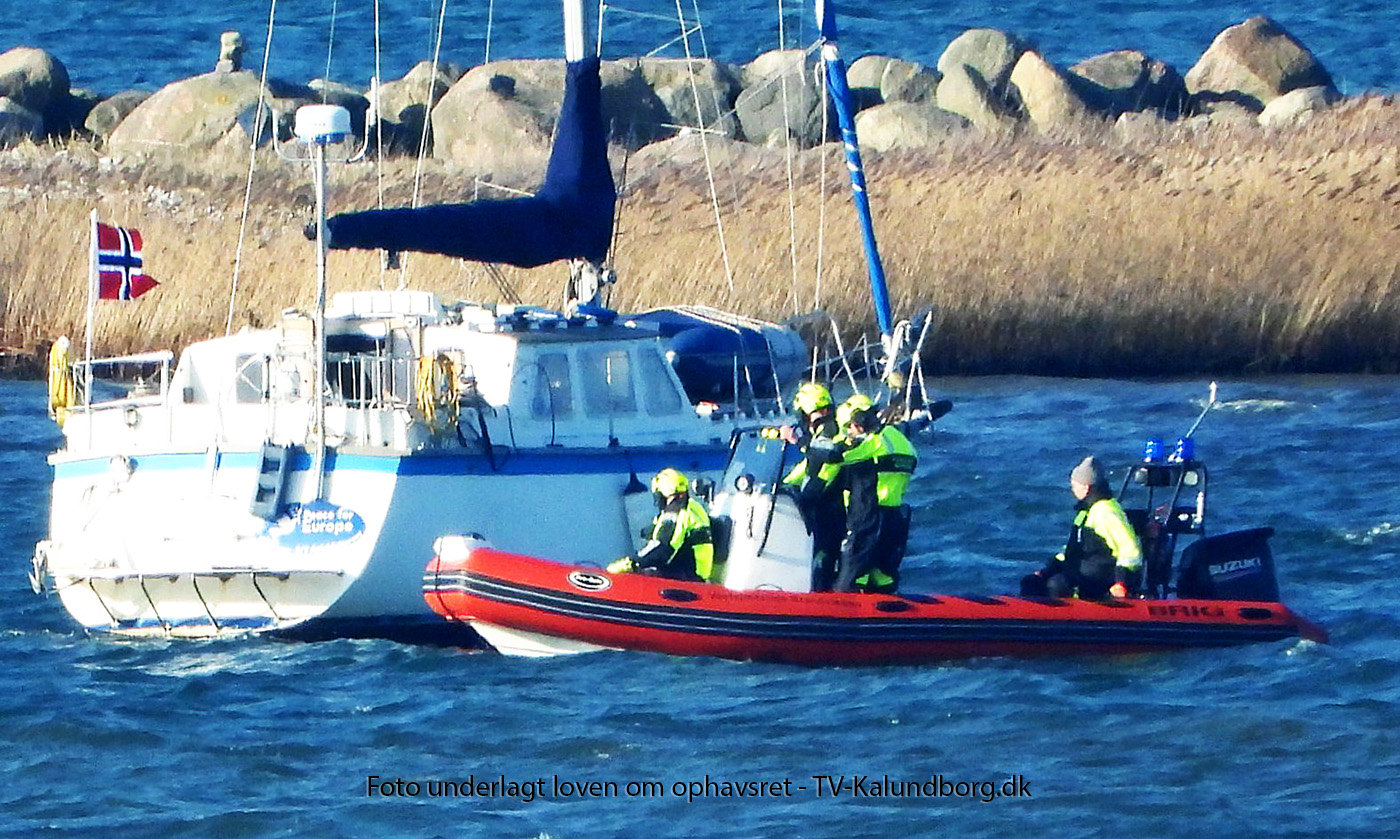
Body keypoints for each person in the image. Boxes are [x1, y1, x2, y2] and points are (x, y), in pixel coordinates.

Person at [1022, 456, 1142, 599]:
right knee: (1031, 582)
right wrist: (1047, 570)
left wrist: (1121, 581)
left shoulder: (1106, 512)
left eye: (1074, 485)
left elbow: (1130, 550)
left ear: (1086, 487)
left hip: (1099, 579)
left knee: (1056, 584)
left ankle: (1062, 619)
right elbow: (1072, 551)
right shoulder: (1084, 512)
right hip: (1079, 573)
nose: (1072, 489)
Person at [829, 400, 918, 593]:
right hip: (896, 517)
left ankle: (845, 615)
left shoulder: (872, 443)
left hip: (868, 517)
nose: (849, 433)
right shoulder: (899, 439)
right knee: (883, 576)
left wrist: (798, 441)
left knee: (851, 577)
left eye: (848, 428)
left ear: (857, 424)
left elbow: (833, 457)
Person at [780, 382, 846, 589]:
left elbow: (826, 469)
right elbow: (808, 466)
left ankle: (822, 595)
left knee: (822, 557)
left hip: (830, 508)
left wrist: (806, 494)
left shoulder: (829, 432)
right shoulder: (822, 433)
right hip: (824, 506)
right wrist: (783, 485)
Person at [608, 468, 715, 582]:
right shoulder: (693, 507)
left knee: (639, 576)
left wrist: (630, 564)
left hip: (689, 578)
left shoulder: (676, 512)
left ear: (663, 495)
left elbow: (662, 549)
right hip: (694, 574)